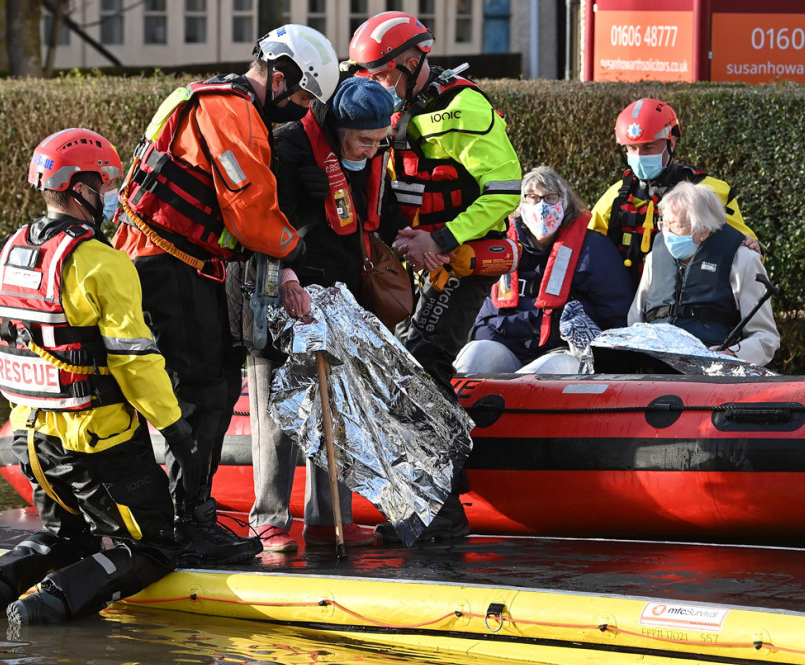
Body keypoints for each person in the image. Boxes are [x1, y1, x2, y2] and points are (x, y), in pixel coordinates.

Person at [0, 128, 204, 626]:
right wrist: (173, 425)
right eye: (106, 185)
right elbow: (135, 359)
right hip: (99, 443)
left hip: (31, 438)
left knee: (69, 536)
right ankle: (48, 604)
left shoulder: (6, 254)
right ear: (80, 187)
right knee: (154, 547)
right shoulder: (102, 264)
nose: (112, 196)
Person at [112, 25, 338, 560]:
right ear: (280, 77)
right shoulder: (231, 113)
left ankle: (175, 515)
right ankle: (187, 524)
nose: (303, 110)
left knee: (203, 386)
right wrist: (298, 253)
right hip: (168, 268)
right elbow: (252, 214)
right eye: (303, 97)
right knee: (206, 392)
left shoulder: (205, 97)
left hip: (174, 263)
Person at [348, 11, 522, 542]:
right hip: (413, 260)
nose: (372, 87)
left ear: (409, 62)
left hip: (462, 259)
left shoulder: (464, 108)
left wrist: (439, 241)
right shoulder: (390, 111)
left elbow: (504, 191)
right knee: (401, 367)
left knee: (422, 362)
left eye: (380, 75)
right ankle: (430, 496)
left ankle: (440, 512)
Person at [235, 77, 404, 552]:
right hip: (281, 290)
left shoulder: (372, 157)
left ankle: (331, 518)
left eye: (378, 141)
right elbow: (260, 218)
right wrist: (286, 273)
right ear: (337, 126)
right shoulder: (288, 147)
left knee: (339, 408)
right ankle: (267, 518)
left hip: (341, 291)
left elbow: (377, 216)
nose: (372, 150)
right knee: (278, 411)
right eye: (363, 140)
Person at [455, 166, 634, 375]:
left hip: (560, 351)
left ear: (564, 203)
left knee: (536, 378)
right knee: (473, 359)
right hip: (503, 343)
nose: (541, 206)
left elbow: (615, 313)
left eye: (550, 198)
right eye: (532, 197)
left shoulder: (594, 249)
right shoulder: (498, 245)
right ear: (520, 203)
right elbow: (472, 305)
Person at [588, 98, 760, 284]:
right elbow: (587, 250)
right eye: (632, 148)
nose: (639, 156)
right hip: (625, 302)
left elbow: (750, 252)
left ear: (671, 142)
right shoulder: (616, 196)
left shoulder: (708, 191)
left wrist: (753, 247)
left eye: (648, 147)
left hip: (688, 301)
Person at [628, 182, 780, 366]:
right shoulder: (655, 258)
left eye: (676, 226)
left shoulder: (743, 261)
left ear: (703, 230)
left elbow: (765, 337)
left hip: (709, 373)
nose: (667, 234)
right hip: (653, 366)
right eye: (663, 224)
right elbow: (634, 321)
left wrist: (731, 355)